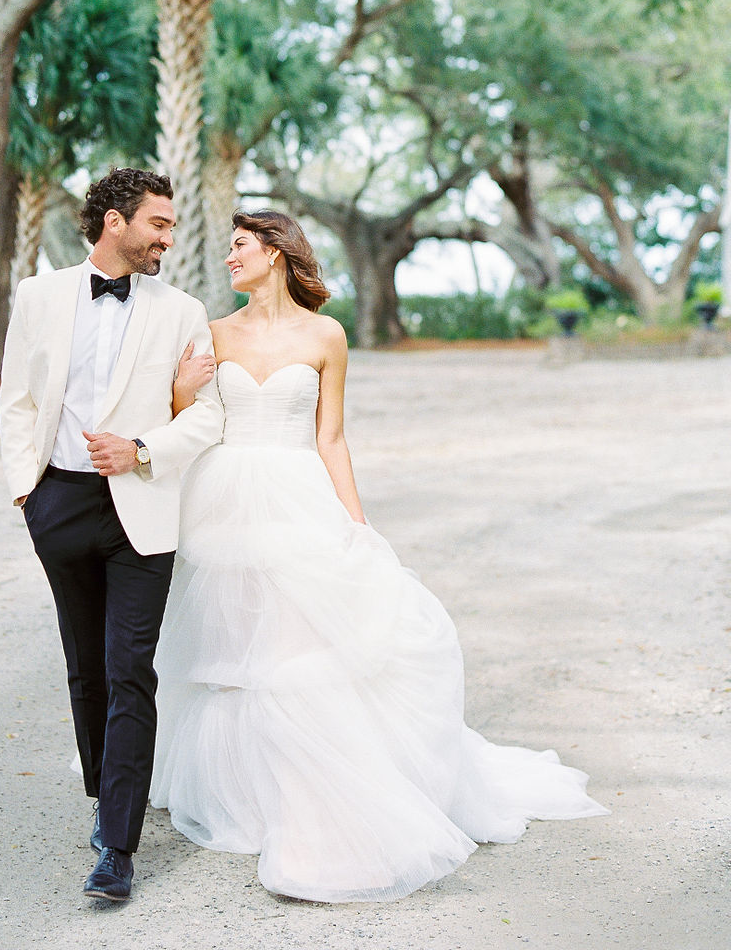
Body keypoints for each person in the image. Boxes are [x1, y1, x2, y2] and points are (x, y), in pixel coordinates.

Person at [150, 209, 607, 903]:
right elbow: (191, 418)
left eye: (239, 247)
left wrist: (356, 527)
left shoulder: (327, 335)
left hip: (299, 496)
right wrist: (184, 389)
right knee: (236, 654)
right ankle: (243, 794)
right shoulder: (212, 332)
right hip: (225, 503)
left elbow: (330, 437)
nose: (229, 259)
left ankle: (313, 806)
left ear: (276, 253)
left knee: (299, 656)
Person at [0, 168, 223, 903]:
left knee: (131, 670)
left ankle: (117, 849)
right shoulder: (38, 297)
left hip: (143, 512)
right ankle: (104, 796)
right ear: (113, 222)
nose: (168, 237)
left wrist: (143, 450)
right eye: (158, 223)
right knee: (84, 668)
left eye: (171, 226)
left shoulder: (183, 311)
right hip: (58, 504)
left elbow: (207, 416)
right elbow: (18, 400)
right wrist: (26, 491)